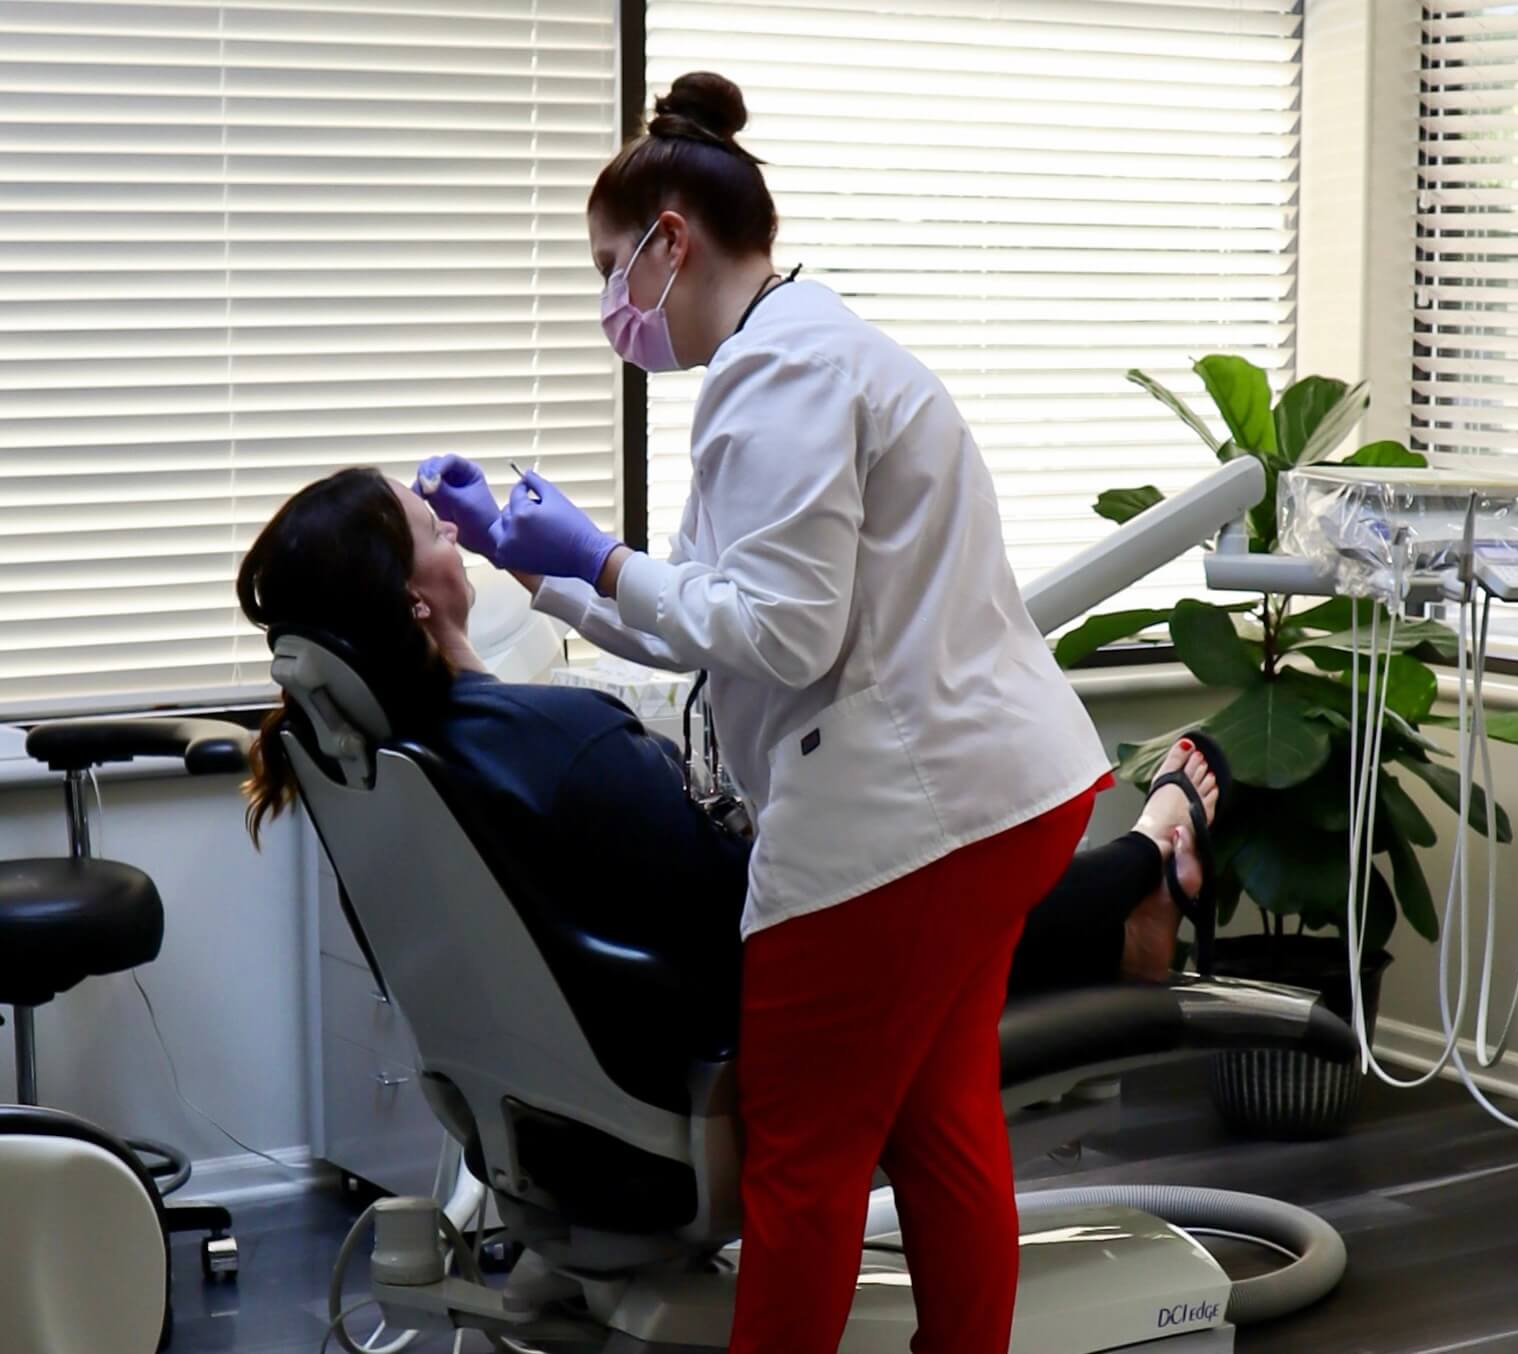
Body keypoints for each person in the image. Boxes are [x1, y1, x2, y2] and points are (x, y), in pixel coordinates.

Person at [417, 72, 1122, 1353]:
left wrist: (600, 557)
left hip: (901, 810)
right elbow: (703, 612)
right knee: (940, 1121)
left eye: (603, 265)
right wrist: (545, 563)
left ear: (667, 240)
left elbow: (782, 631)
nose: (604, 305)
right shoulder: (791, 355)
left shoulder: (778, 374)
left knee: (802, 1158)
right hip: (997, 784)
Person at [237, 465, 1218, 1063]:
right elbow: (745, 902)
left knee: (916, 872)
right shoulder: (558, 740)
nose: (456, 529)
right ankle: (1141, 873)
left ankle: (1129, 878)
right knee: (922, 881)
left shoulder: (393, 753)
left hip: (599, 1039)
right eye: (435, 530)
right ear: (416, 597)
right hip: (736, 1012)